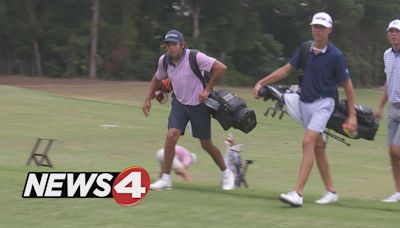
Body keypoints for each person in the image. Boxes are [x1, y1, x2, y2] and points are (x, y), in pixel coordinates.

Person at [253, 12, 357, 207]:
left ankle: (297, 193)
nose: (317, 30)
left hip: (324, 104)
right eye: (315, 26)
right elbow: (286, 69)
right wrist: (262, 81)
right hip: (304, 102)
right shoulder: (305, 49)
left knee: (308, 141)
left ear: (329, 30)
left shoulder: (336, 55)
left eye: (322, 27)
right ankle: (331, 191)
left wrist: (352, 115)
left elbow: (347, 85)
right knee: (318, 147)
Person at [142, 29, 235, 191]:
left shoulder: (195, 57)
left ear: (182, 45)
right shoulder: (164, 61)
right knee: (171, 136)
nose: (170, 48)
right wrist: (147, 99)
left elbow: (221, 68)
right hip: (179, 105)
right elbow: (156, 79)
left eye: (174, 45)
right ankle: (166, 178)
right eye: (168, 45)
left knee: (206, 145)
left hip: (199, 106)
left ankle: (227, 173)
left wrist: (207, 89)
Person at [375, 19, 400, 203]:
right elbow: (388, 82)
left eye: (396, 31)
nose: (393, 34)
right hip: (393, 108)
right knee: (391, 153)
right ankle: (399, 192)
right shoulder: (386, 55)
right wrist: (379, 106)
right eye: (390, 31)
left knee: (396, 149)